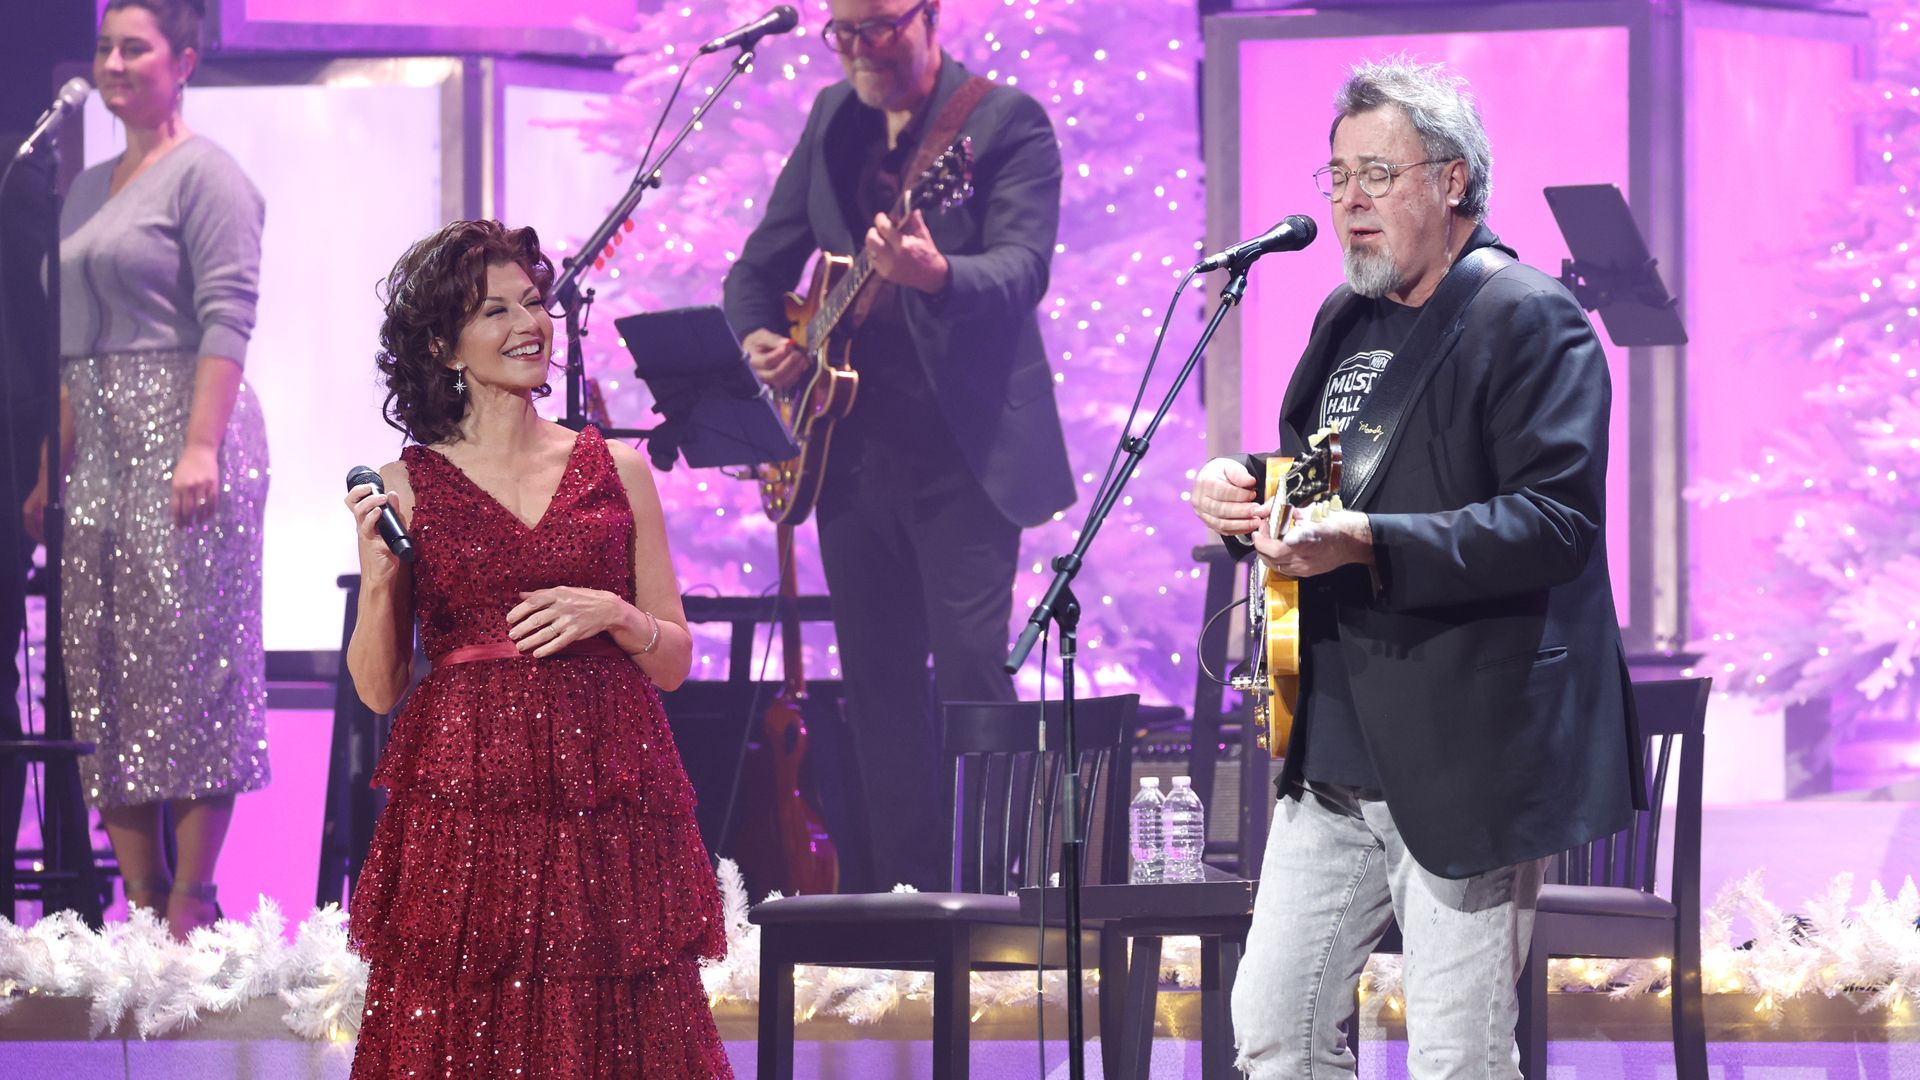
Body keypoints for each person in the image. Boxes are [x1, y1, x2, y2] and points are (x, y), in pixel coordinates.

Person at [1188, 57, 1644, 1078]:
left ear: (1455, 183)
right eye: (1338, 176)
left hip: (1464, 752)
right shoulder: (1344, 322)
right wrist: (1243, 497)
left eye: (1378, 175)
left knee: (1458, 1056)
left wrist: (1372, 542)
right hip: (1335, 749)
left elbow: (1552, 521)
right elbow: (1321, 489)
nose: (1350, 200)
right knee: (1275, 1026)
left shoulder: (1530, 319)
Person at [342, 220, 731, 1077]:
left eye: (534, 303)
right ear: (443, 345)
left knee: (613, 1018)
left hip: (605, 786)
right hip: (471, 796)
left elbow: (672, 661)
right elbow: (378, 691)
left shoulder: (620, 469)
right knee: (470, 1017)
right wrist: (377, 582)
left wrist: (618, 617)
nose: (530, 324)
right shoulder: (405, 483)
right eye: (495, 310)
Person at [721, 0, 1073, 893]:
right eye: (841, 33)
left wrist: (937, 273)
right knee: (877, 689)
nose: (859, 51)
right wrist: (763, 337)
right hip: (845, 456)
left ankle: (995, 898)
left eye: (878, 27)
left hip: (964, 455)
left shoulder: (1003, 122)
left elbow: (1023, 266)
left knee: (968, 677)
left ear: (929, 16)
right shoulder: (832, 117)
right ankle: (904, 903)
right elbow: (755, 269)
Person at [29, 0, 269, 940]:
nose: (116, 62)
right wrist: (53, 468)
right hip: (99, 446)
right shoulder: (84, 186)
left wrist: (200, 445)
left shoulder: (210, 174)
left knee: (193, 661)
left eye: (136, 46)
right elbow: (70, 347)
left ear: (184, 61)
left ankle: (190, 907)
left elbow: (227, 317)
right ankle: (138, 907)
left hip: (186, 429)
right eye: (105, 47)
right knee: (104, 666)